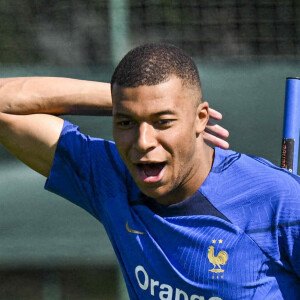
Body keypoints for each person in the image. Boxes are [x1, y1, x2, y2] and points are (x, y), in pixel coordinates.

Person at [0, 44, 299, 300]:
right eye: (126, 122)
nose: (143, 142)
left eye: (163, 121)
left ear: (200, 118)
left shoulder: (280, 199)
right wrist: (125, 100)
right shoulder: (110, 177)